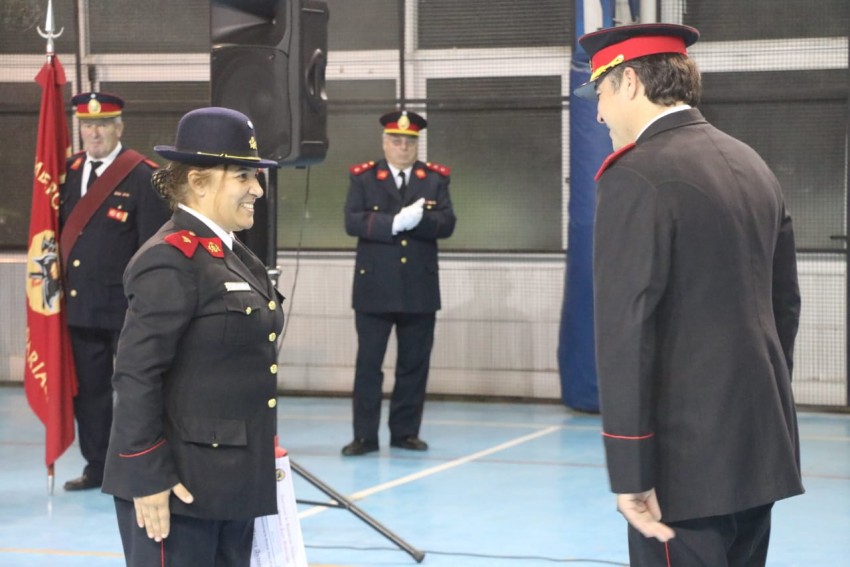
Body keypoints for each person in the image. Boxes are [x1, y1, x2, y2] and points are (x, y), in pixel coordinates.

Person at [574, 23, 804, 566]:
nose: (600, 113)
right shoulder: (750, 163)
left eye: (601, 93)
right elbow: (784, 304)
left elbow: (627, 330)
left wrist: (630, 471)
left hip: (683, 463)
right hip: (757, 447)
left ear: (629, 81)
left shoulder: (637, 174)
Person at [100, 107, 285, 567]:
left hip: (230, 481)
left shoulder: (234, 255)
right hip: (177, 487)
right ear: (199, 182)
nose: (257, 190)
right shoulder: (171, 258)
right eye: (244, 176)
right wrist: (145, 474)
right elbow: (137, 373)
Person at [59, 92, 170, 491]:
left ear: (119, 127)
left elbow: (152, 248)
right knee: (89, 393)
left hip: (126, 310)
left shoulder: (142, 176)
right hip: (83, 306)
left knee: (137, 390)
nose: (94, 132)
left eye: (103, 124)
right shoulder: (70, 172)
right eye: (87, 125)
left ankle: (137, 464)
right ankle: (98, 466)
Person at [341, 110, 456, 456]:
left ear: (416, 144)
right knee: (368, 366)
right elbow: (352, 221)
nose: (402, 147)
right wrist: (394, 223)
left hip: (419, 289)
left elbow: (447, 223)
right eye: (396, 140)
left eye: (409, 142)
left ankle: (405, 432)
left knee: (413, 365)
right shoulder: (364, 177)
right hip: (374, 288)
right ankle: (365, 436)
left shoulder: (434, 178)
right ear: (384, 142)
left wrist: (413, 223)